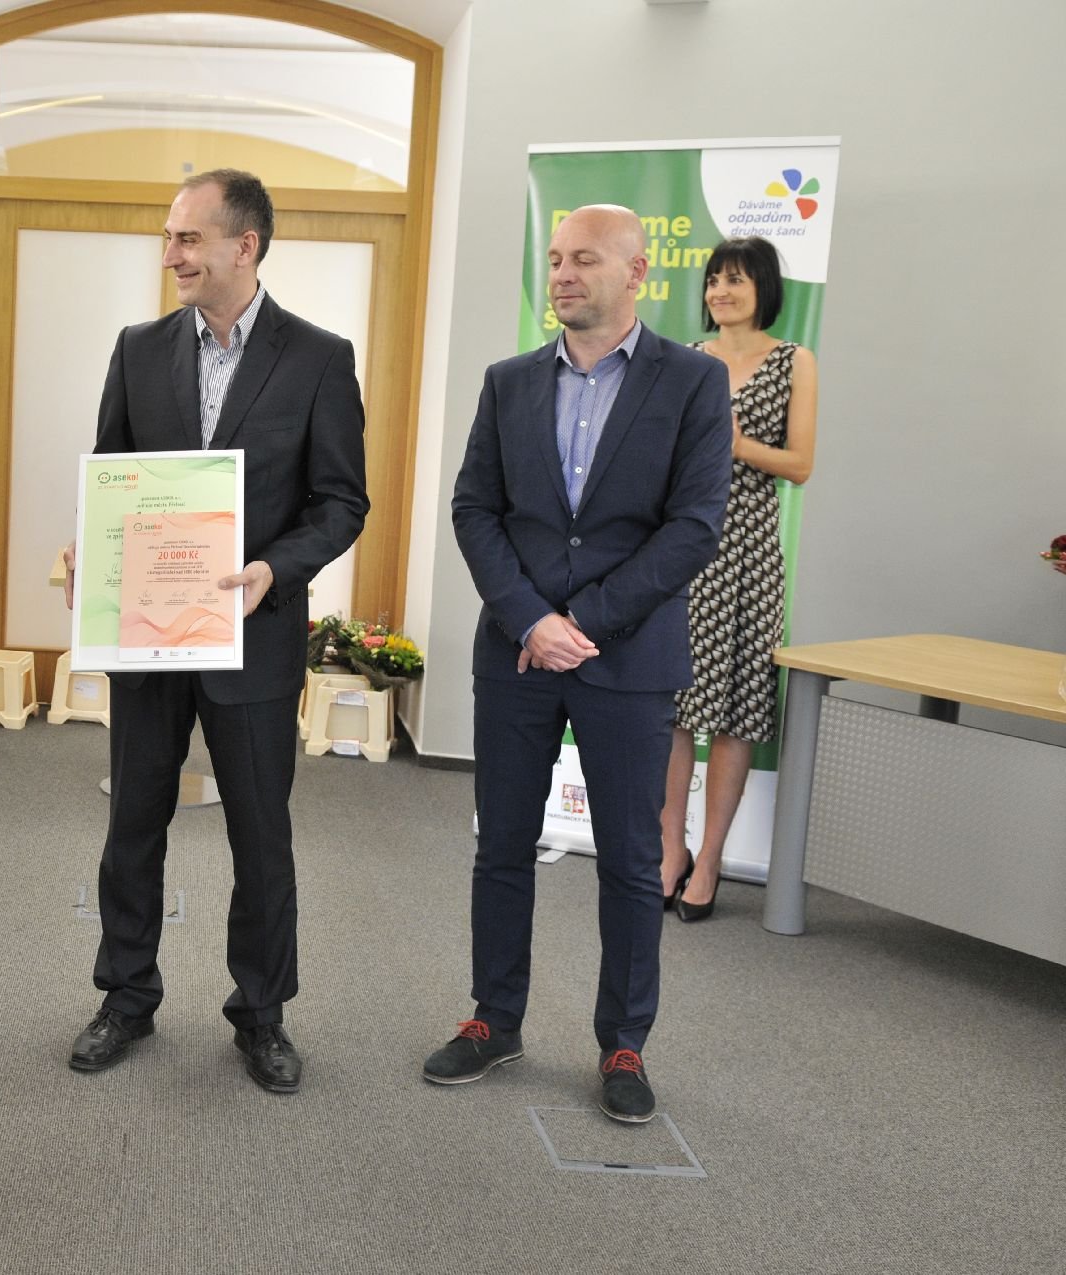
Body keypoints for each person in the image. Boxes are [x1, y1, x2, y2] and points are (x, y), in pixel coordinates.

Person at [61, 169, 368, 1095]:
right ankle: (125, 997)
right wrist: (91, 543)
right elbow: (114, 471)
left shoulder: (318, 358)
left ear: (246, 244)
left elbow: (340, 501)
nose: (171, 255)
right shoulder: (138, 348)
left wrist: (277, 567)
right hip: (150, 636)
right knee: (132, 825)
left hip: (255, 636)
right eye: (168, 237)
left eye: (188, 238)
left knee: (261, 838)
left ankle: (262, 1013)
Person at [438, 204, 731, 1122]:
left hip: (628, 657)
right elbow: (474, 508)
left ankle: (623, 1042)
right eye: (556, 257)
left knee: (634, 862)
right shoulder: (508, 382)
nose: (563, 273)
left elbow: (695, 525)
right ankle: (495, 1018)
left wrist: (582, 621)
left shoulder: (694, 381)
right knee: (502, 847)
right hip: (517, 655)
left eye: (585, 259)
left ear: (638, 272)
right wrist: (531, 618)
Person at [661, 237, 818, 922]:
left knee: (737, 709)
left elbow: (801, 464)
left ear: (764, 289)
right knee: (672, 707)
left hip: (751, 552)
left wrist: (738, 445)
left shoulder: (794, 360)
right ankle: (668, 848)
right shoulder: (686, 360)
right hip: (685, 548)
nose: (721, 291)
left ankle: (711, 858)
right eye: (714, 280)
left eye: (736, 280)